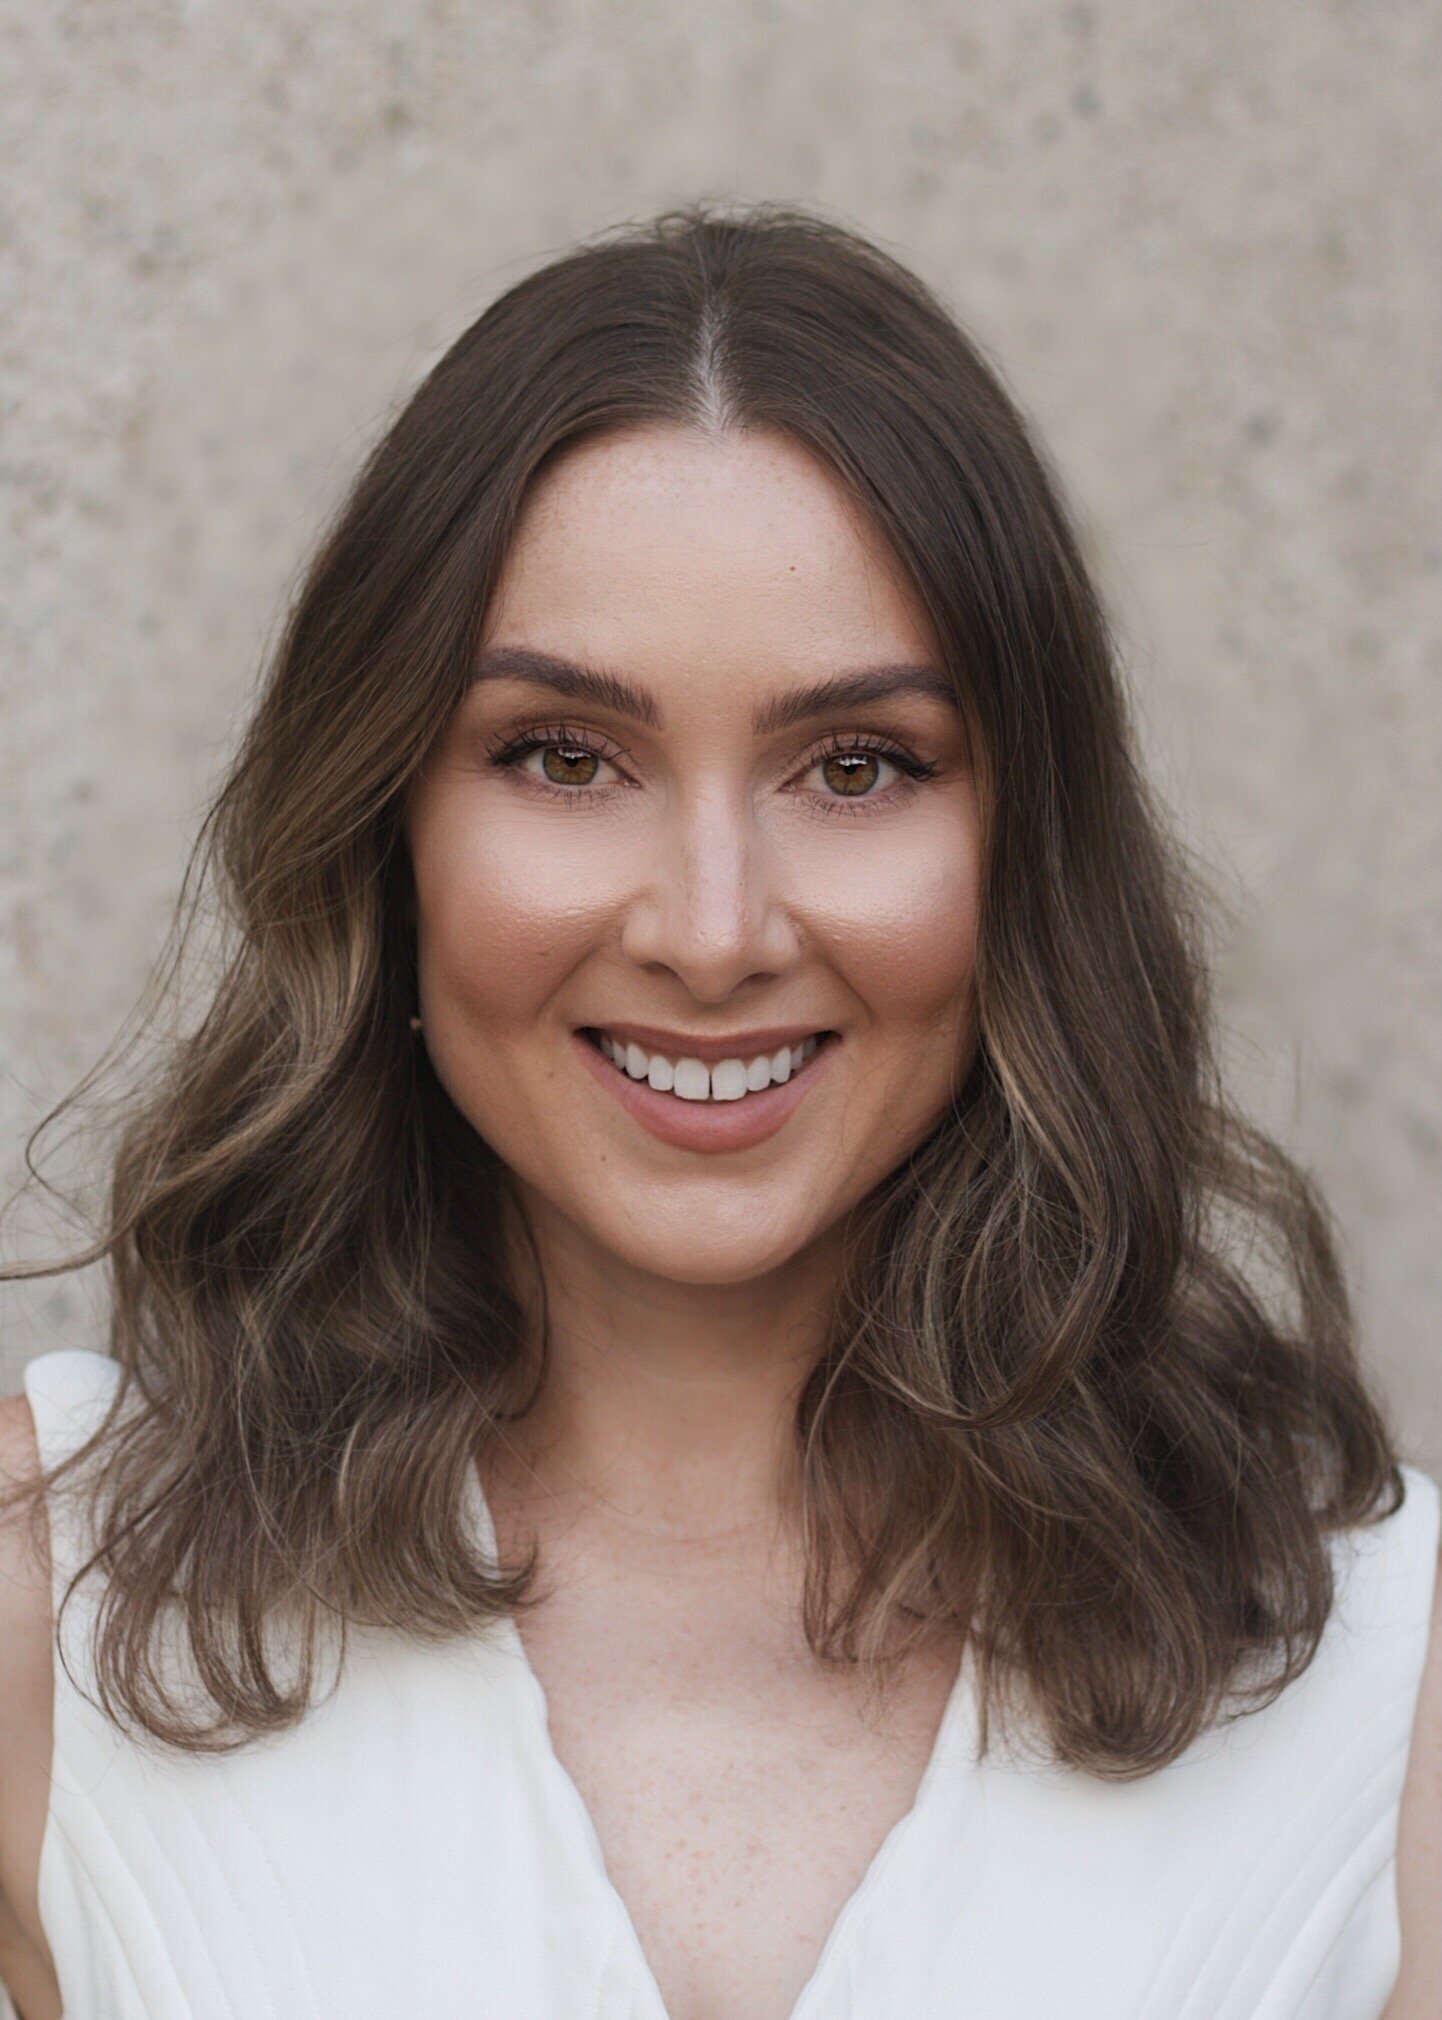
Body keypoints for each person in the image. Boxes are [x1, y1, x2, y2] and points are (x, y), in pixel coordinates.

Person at [0, 200, 1437, 2020]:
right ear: (385, 832)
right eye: (564, 757)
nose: (709, 930)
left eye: (857, 767)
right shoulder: (48, 1605)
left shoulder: (1384, 1686)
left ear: (1023, 854)